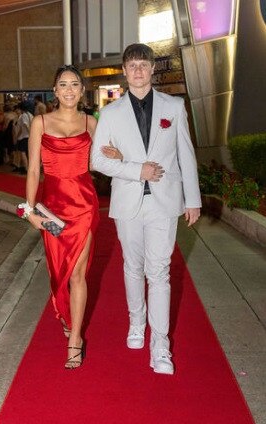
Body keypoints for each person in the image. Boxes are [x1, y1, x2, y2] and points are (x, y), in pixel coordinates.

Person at [91, 43, 202, 375]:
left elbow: (186, 154)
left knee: (159, 273)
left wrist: (192, 199)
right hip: (128, 202)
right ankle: (136, 323)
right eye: (132, 65)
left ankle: (161, 345)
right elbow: (96, 160)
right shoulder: (110, 114)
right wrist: (135, 169)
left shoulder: (174, 106)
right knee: (132, 268)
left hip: (164, 202)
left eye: (143, 64)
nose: (138, 70)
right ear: (124, 72)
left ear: (153, 69)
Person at [20, 65, 99, 369]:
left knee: (77, 274)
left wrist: (117, 156)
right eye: (62, 85)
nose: (68, 90)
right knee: (58, 275)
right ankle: (67, 315)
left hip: (84, 206)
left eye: (74, 85)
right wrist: (29, 211)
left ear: (82, 90)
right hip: (51, 209)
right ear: (54, 91)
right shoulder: (40, 122)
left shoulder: (91, 123)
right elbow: (33, 170)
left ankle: (75, 338)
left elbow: (105, 157)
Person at [13, 102, 33, 174]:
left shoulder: (24, 115)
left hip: (24, 137)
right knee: (28, 153)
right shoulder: (30, 114)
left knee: (23, 153)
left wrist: (18, 135)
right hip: (28, 137)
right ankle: (28, 168)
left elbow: (25, 125)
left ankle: (26, 168)